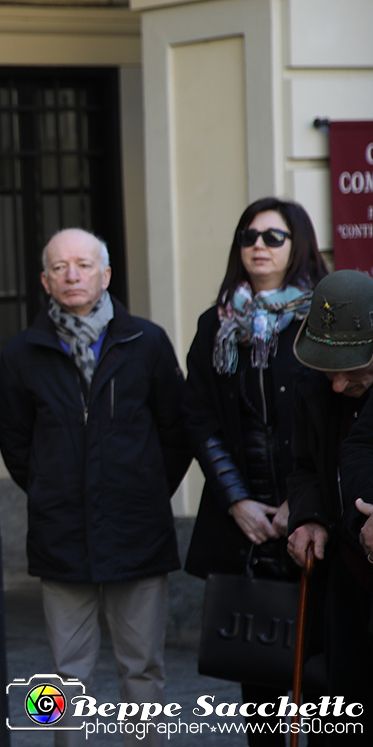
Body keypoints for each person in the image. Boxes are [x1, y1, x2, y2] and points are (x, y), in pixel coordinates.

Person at [0, 227, 189, 747]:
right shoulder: (22, 353)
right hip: (61, 535)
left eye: (83, 265)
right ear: (44, 280)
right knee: (64, 680)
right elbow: (16, 443)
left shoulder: (145, 342)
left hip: (138, 532)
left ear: (106, 275)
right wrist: (51, 488)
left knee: (143, 671)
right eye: (60, 267)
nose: (72, 275)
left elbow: (176, 431)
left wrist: (144, 489)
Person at [183, 198, 328, 746]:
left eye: (273, 236)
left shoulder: (325, 318)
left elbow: (335, 415)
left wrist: (301, 499)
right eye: (249, 236)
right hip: (245, 527)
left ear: (298, 246)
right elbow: (197, 417)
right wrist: (237, 500)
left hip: (315, 519)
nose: (258, 247)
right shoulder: (214, 323)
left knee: (323, 683)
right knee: (261, 685)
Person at [287, 269, 373, 742]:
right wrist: (308, 517)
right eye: (329, 371)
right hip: (344, 570)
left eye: (353, 371)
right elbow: (303, 466)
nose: (338, 386)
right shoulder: (313, 387)